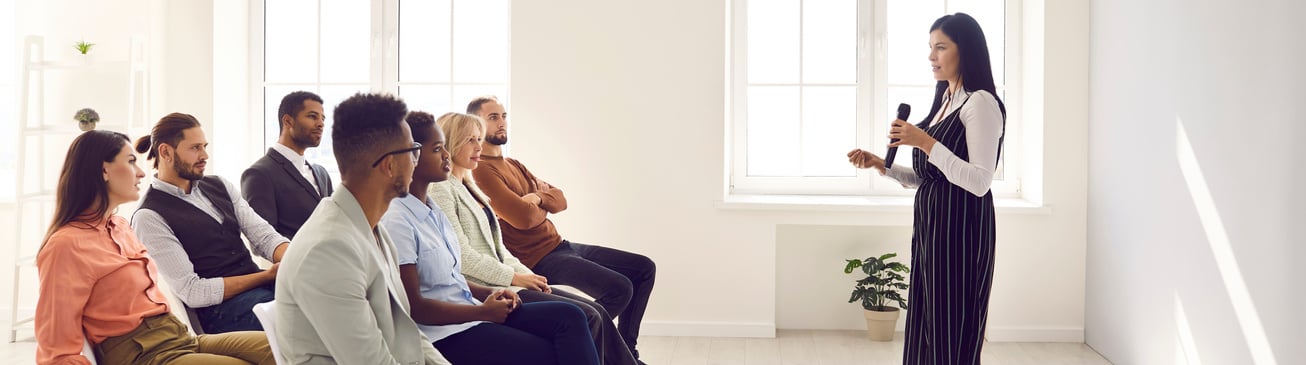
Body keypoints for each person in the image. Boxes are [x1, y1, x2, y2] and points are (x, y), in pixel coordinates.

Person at [35, 130, 274, 365]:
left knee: (284, 347)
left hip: (179, 337)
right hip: (142, 354)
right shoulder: (66, 245)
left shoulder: (119, 227)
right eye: (131, 162)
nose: (140, 173)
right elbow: (57, 349)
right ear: (103, 170)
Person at [846, 13, 1005, 365]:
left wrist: (926, 142)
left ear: (966, 51)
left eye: (941, 47)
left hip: (962, 231)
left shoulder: (980, 103)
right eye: (930, 48)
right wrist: (881, 165)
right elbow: (930, 178)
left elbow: (979, 182)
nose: (932, 57)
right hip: (934, 230)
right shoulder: (944, 101)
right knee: (928, 322)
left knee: (953, 325)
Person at [380, 111, 599, 365]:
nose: (447, 155)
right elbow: (414, 307)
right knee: (549, 352)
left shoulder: (434, 211)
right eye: (438, 149)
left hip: (472, 310)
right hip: (446, 332)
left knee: (570, 316)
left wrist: (494, 293)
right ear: (412, 156)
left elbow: (452, 280)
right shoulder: (397, 219)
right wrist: (482, 311)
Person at [428, 112, 639, 365]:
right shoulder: (442, 188)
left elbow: (499, 248)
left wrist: (528, 276)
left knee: (599, 312)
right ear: (451, 143)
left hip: (511, 278)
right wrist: (515, 278)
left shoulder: (470, 186)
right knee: (587, 315)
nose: (478, 146)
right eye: (470, 140)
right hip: (487, 289)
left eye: (479, 139)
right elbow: (462, 256)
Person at [274, 92, 450, 364]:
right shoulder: (328, 249)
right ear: (390, 165)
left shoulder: (372, 228)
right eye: (412, 151)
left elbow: (408, 335)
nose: (416, 160)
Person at [131, 113, 289, 334]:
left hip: (262, 292)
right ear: (166, 152)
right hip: (221, 312)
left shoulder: (219, 185)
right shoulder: (149, 216)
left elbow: (264, 236)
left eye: (204, 146)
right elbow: (192, 291)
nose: (205, 155)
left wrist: (296, 260)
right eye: (195, 148)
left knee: (324, 296)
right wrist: (267, 275)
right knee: (298, 317)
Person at [242, 91, 334, 239]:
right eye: (312, 116)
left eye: (322, 118)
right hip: (296, 261)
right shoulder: (259, 174)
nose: (321, 123)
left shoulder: (321, 173)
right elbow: (262, 239)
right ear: (288, 121)